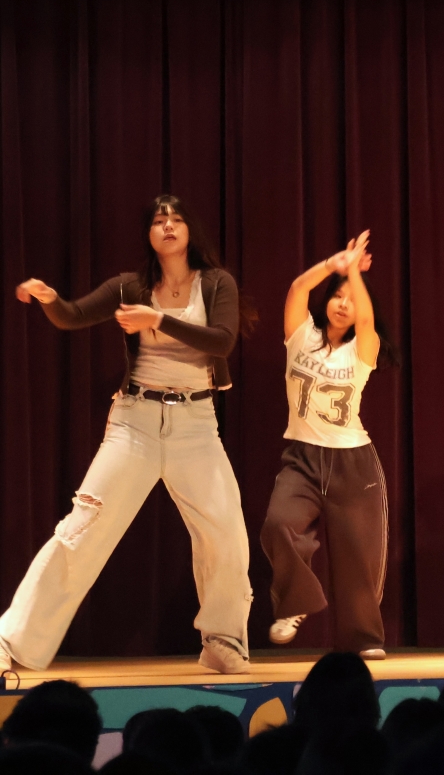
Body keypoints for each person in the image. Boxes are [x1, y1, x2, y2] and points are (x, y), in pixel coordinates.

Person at [0, 195, 254, 675]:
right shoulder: (130, 285)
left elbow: (222, 340)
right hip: (135, 421)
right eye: (159, 220)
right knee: (83, 529)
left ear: (190, 230)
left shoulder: (216, 283)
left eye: (176, 218)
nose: (168, 225)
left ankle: (223, 639)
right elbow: (73, 315)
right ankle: (11, 640)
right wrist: (50, 299)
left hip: (196, 425)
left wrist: (157, 320)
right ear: (149, 235)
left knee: (225, 532)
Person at [259, 231, 397, 659]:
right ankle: (295, 604)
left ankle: (363, 640)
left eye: (350, 299)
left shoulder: (363, 348)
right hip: (301, 457)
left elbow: (368, 321)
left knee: (358, 557)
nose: (342, 303)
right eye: (337, 296)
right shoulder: (301, 335)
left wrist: (354, 273)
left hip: (353, 462)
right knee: (279, 524)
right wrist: (334, 265)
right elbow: (297, 289)